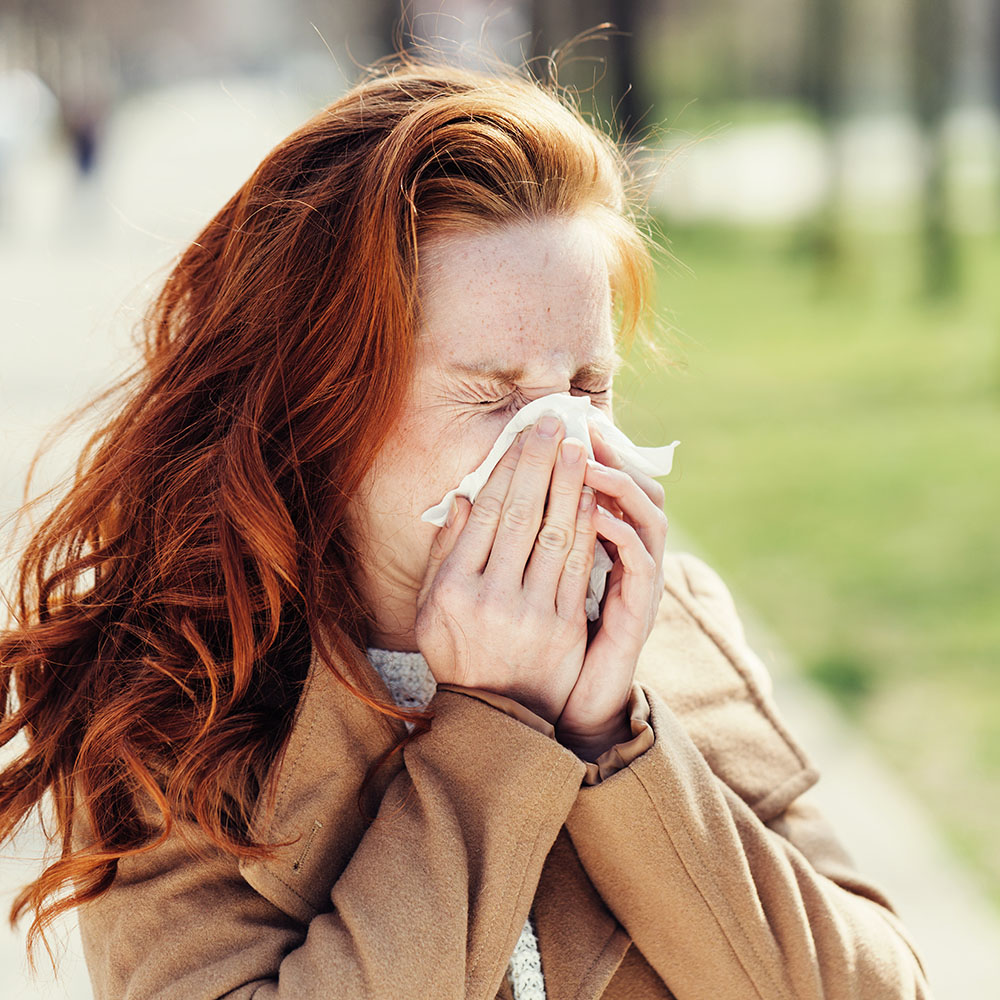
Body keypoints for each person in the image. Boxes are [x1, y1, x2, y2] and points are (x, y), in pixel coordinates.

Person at [0, 55, 933, 999]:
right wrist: (497, 732)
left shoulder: (675, 629)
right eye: (493, 396)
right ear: (321, 407)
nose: (566, 439)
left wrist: (611, 735)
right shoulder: (177, 712)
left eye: (588, 387)